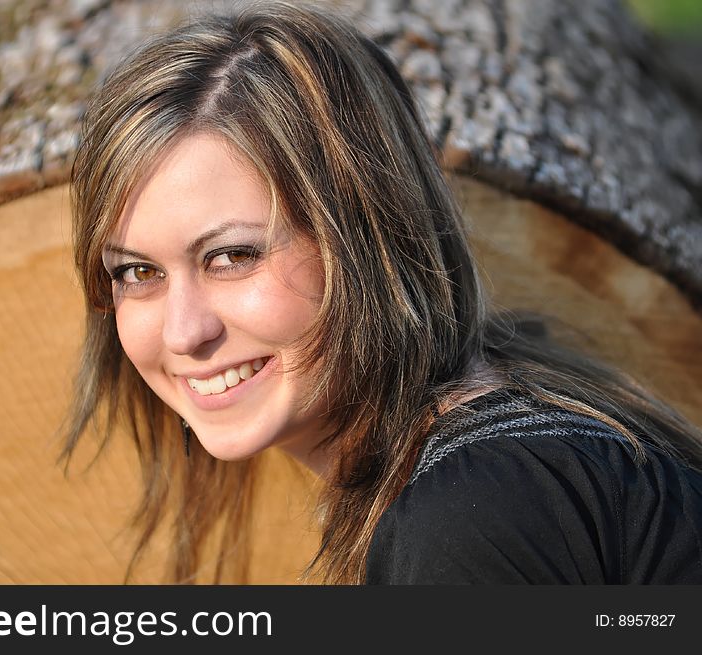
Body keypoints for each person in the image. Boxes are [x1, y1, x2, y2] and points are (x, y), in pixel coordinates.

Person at [62, 0, 702, 584]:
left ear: (367, 237)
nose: (182, 332)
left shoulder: (475, 512)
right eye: (138, 273)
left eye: (231, 256)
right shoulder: (498, 453)